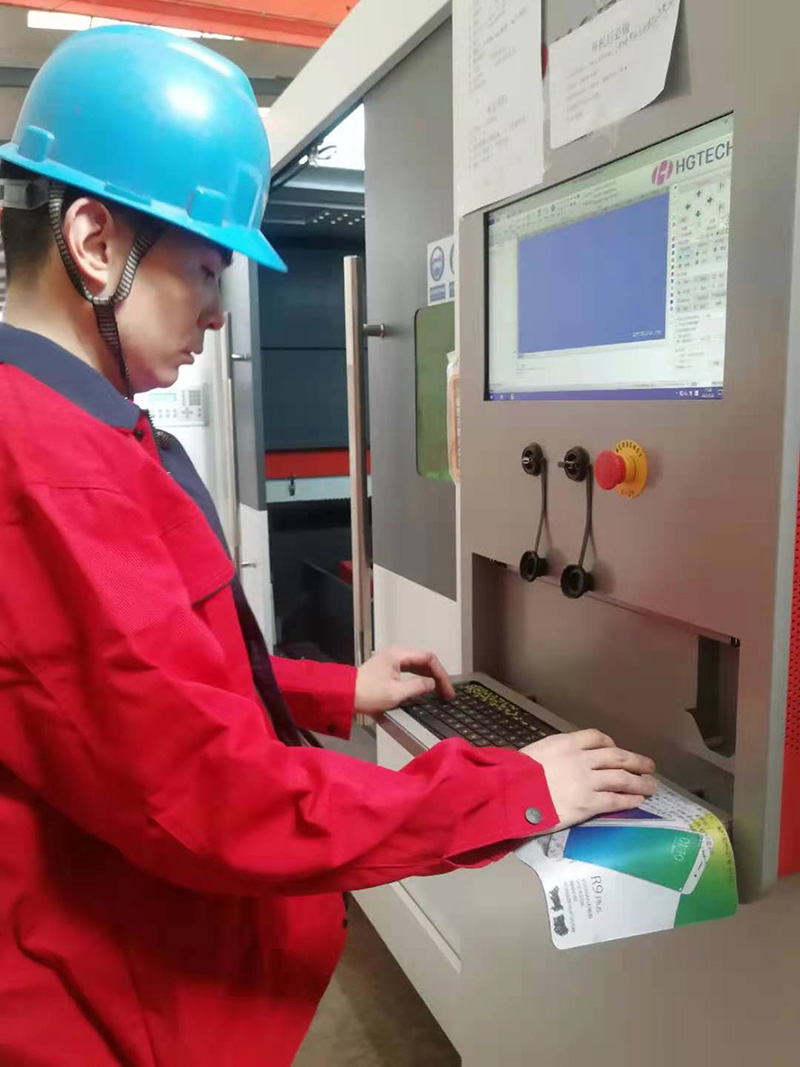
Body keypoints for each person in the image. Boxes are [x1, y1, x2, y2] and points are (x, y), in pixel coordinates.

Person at [0, 25, 656, 1067]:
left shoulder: (81, 429)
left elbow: (129, 682)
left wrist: (331, 687)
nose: (219, 315)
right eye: (205, 270)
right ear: (94, 243)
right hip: (107, 1010)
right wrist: (513, 790)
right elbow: (204, 794)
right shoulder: (45, 465)